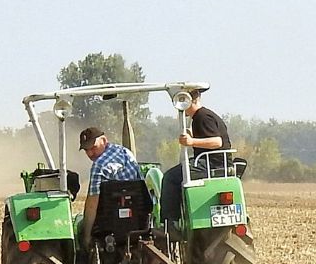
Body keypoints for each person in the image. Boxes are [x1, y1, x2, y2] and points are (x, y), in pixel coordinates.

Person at [159, 89, 233, 223]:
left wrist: (191, 141)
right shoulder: (205, 116)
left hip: (210, 164)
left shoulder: (202, 117)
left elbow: (217, 141)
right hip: (215, 162)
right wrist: (193, 134)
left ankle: (170, 223)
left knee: (170, 178)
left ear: (188, 101)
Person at [78, 127, 141, 247]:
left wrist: (86, 237)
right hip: (137, 219)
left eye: (93, 148)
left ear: (104, 140)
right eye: (86, 150)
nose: (90, 153)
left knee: (81, 227)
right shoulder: (126, 153)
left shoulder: (99, 166)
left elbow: (92, 204)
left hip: (109, 224)